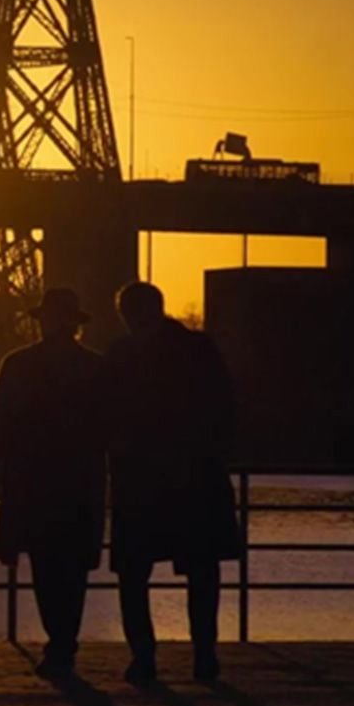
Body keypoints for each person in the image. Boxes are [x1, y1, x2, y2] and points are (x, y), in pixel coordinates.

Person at [103, 280, 241, 684]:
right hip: (196, 478)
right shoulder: (198, 349)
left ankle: (144, 658)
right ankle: (203, 655)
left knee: (133, 573)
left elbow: (103, 410)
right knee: (201, 571)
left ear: (127, 314)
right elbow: (225, 405)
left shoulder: (120, 355)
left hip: (141, 480)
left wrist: (117, 445)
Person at [0, 287, 106, 679]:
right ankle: (65, 640)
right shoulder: (95, 367)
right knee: (73, 565)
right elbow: (115, 424)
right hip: (81, 479)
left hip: (32, 479)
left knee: (46, 564)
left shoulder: (18, 364)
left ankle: (60, 641)